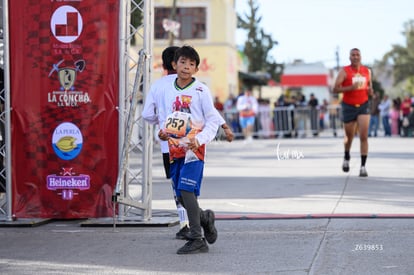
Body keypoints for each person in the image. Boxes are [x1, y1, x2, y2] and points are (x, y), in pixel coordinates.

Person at [142, 46, 234, 243]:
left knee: (185, 189)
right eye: (182, 62)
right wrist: (163, 132)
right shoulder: (167, 90)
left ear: (196, 69)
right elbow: (166, 120)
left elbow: (210, 117)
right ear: (175, 64)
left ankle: (195, 236)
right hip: (173, 150)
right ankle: (204, 218)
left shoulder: (201, 90)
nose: (186, 67)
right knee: (181, 195)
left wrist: (200, 139)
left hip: (194, 149)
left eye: (191, 64)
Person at [333, 48, 373, 177]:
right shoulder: (345, 71)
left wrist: (371, 92)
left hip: (363, 105)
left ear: (361, 57)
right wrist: (350, 88)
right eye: (353, 55)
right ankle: (346, 156)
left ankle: (363, 166)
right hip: (348, 106)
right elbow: (335, 89)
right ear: (349, 57)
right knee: (348, 137)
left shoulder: (367, 71)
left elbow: (370, 87)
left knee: (363, 136)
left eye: (358, 55)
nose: (355, 57)